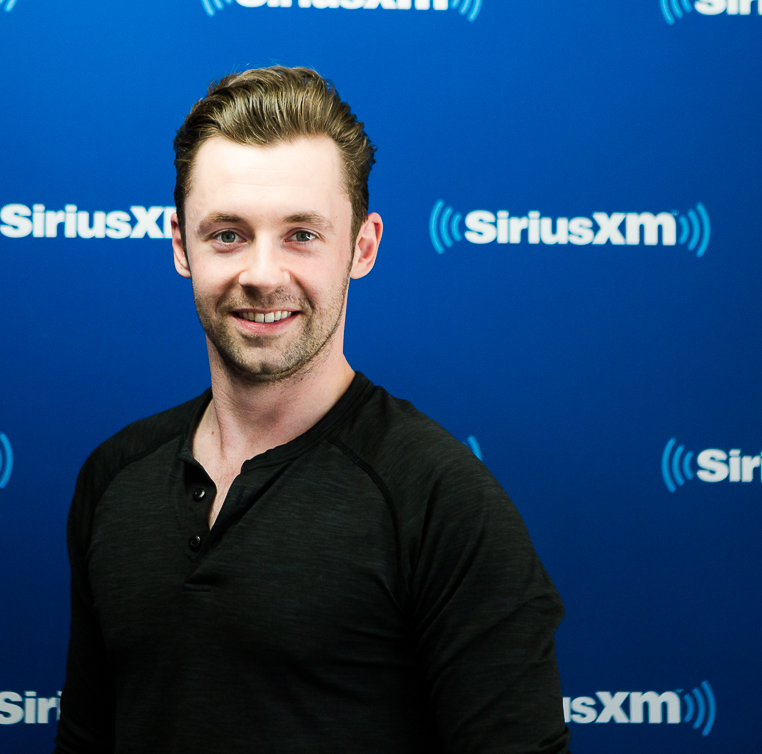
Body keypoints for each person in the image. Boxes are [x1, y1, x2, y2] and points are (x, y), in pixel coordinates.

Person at [54, 66, 570, 753]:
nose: (263, 273)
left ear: (362, 246)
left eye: (301, 234)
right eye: (228, 234)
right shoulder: (114, 478)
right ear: (181, 245)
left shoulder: (441, 502)